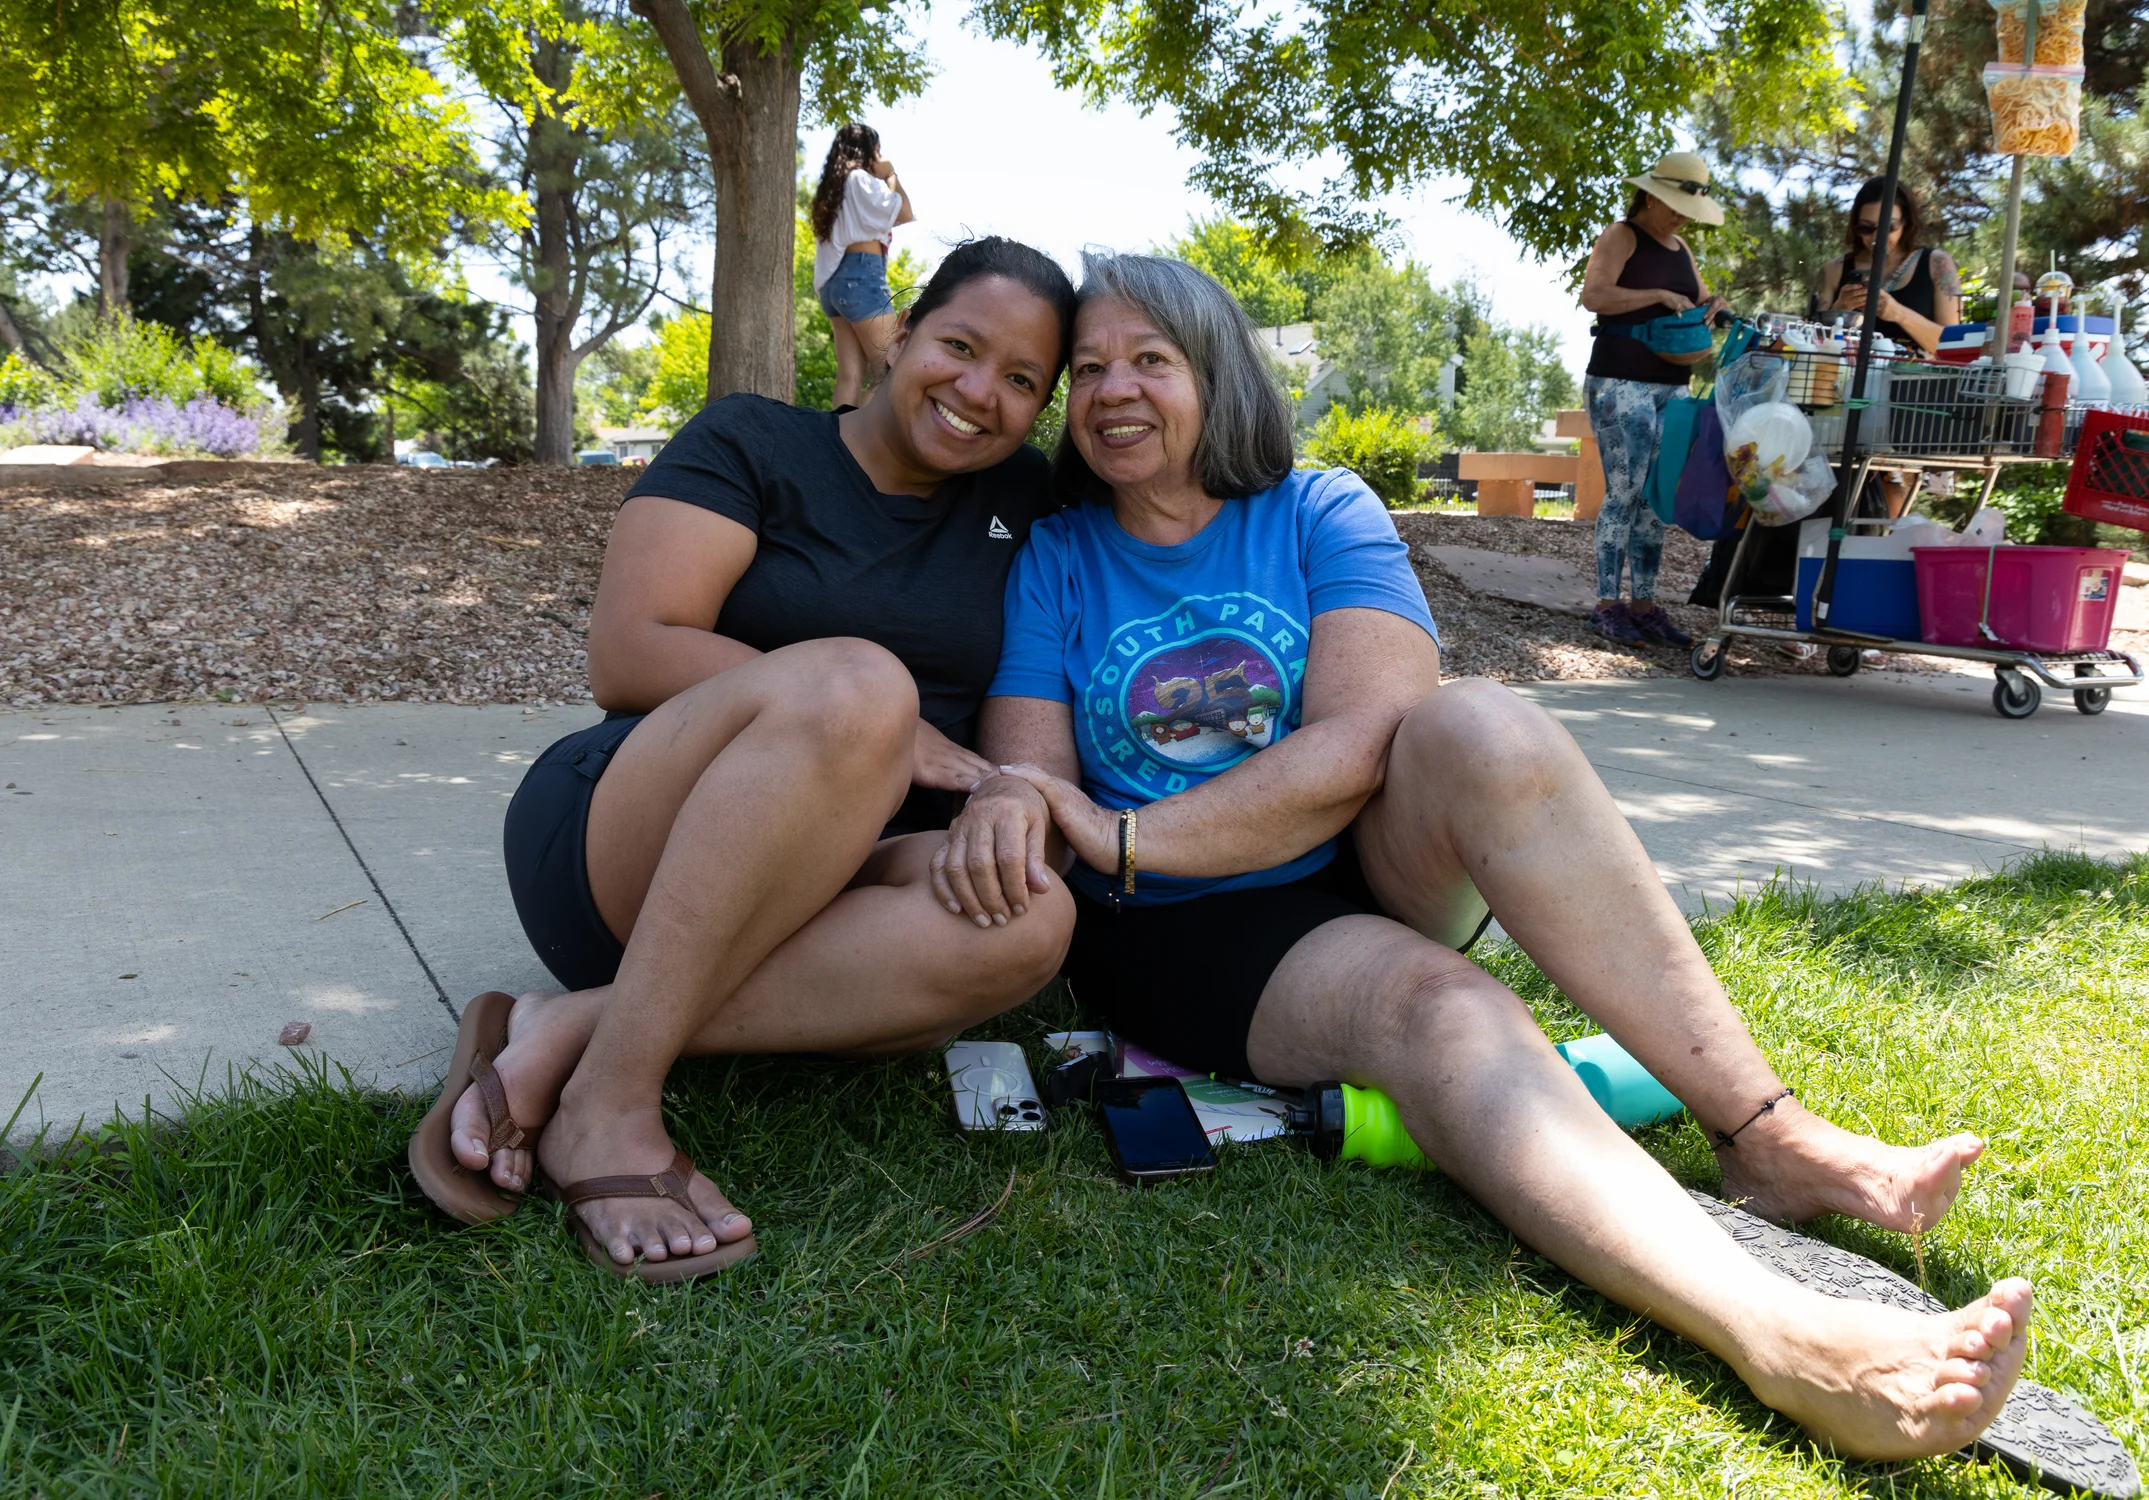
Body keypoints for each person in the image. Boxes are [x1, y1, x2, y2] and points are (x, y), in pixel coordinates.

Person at [967, 249, 2029, 1462]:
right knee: (1439, 1010)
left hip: (1335, 852)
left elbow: (1372, 733)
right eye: (1090, 368)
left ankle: (1766, 1133)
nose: (1113, 390)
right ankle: (1781, 1337)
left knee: (1483, 721)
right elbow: (1031, 788)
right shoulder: (1054, 557)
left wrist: (1115, 825)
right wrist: (1111, 840)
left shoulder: (1320, 510)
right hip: (1174, 921)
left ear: (1214, 374)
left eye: (1149, 360)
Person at [405, 238, 1080, 1282]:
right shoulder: (754, 440)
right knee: (861, 685)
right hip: (631, 836)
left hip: (842, 883)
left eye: (1023, 379)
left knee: (1034, 915)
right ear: (899, 334)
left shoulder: (1027, 502)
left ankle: (564, 1027)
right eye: (959, 345)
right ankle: (610, 1102)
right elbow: (631, 649)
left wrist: (1010, 794)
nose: (979, 391)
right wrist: (889, 726)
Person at [1578, 151, 1730, 649]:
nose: (1682, 215)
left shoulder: (1681, 247)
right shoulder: (1621, 235)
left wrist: (1713, 308)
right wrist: (1658, 296)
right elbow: (1595, 296)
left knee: (1655, 496)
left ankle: (1643, 606)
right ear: (1650, 194)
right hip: (1620, 381)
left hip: (1673, 386)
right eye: (1675, 203)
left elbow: (1695, 299)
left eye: (1689, 206)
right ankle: (1607, 605)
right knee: (1625, 489)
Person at [811, 123, 916, 409]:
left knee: (850, 377)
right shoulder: (860, 179)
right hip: (860, 276)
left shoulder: (831, 192)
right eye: (877, 149)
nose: (879, 156)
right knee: (891, 368)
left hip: (833, 284)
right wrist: (890, 174)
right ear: (868, 150)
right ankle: (868, 448)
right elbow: (904, 211)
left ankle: (836, 447)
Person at [1815, 178, 1962, 361]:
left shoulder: (1937, 264)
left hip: (1913, 383)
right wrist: (1841, 310)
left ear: (1905, 222)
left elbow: (1955, 347)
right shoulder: (1833, 270)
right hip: (1847, 383)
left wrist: (1899, 314)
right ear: (1855, 226)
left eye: (1889, 227)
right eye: (1866, 227)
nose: (1878, 236)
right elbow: (1811, 341)